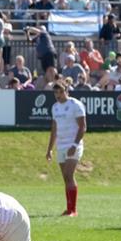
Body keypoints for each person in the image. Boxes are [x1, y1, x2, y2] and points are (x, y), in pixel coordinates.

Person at [46, 81, 86, 216]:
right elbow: (54, 129)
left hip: (73, 145)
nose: (58, 95)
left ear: (67, 91)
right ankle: (69, 208)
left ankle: (73, 210)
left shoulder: (75, 105)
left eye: (61, 92)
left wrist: (74, 145)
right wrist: (49, 149)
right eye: (55, 92)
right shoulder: (55, 107)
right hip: (61, 145)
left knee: (69, 175)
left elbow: (82, 127)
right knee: (66, 177)